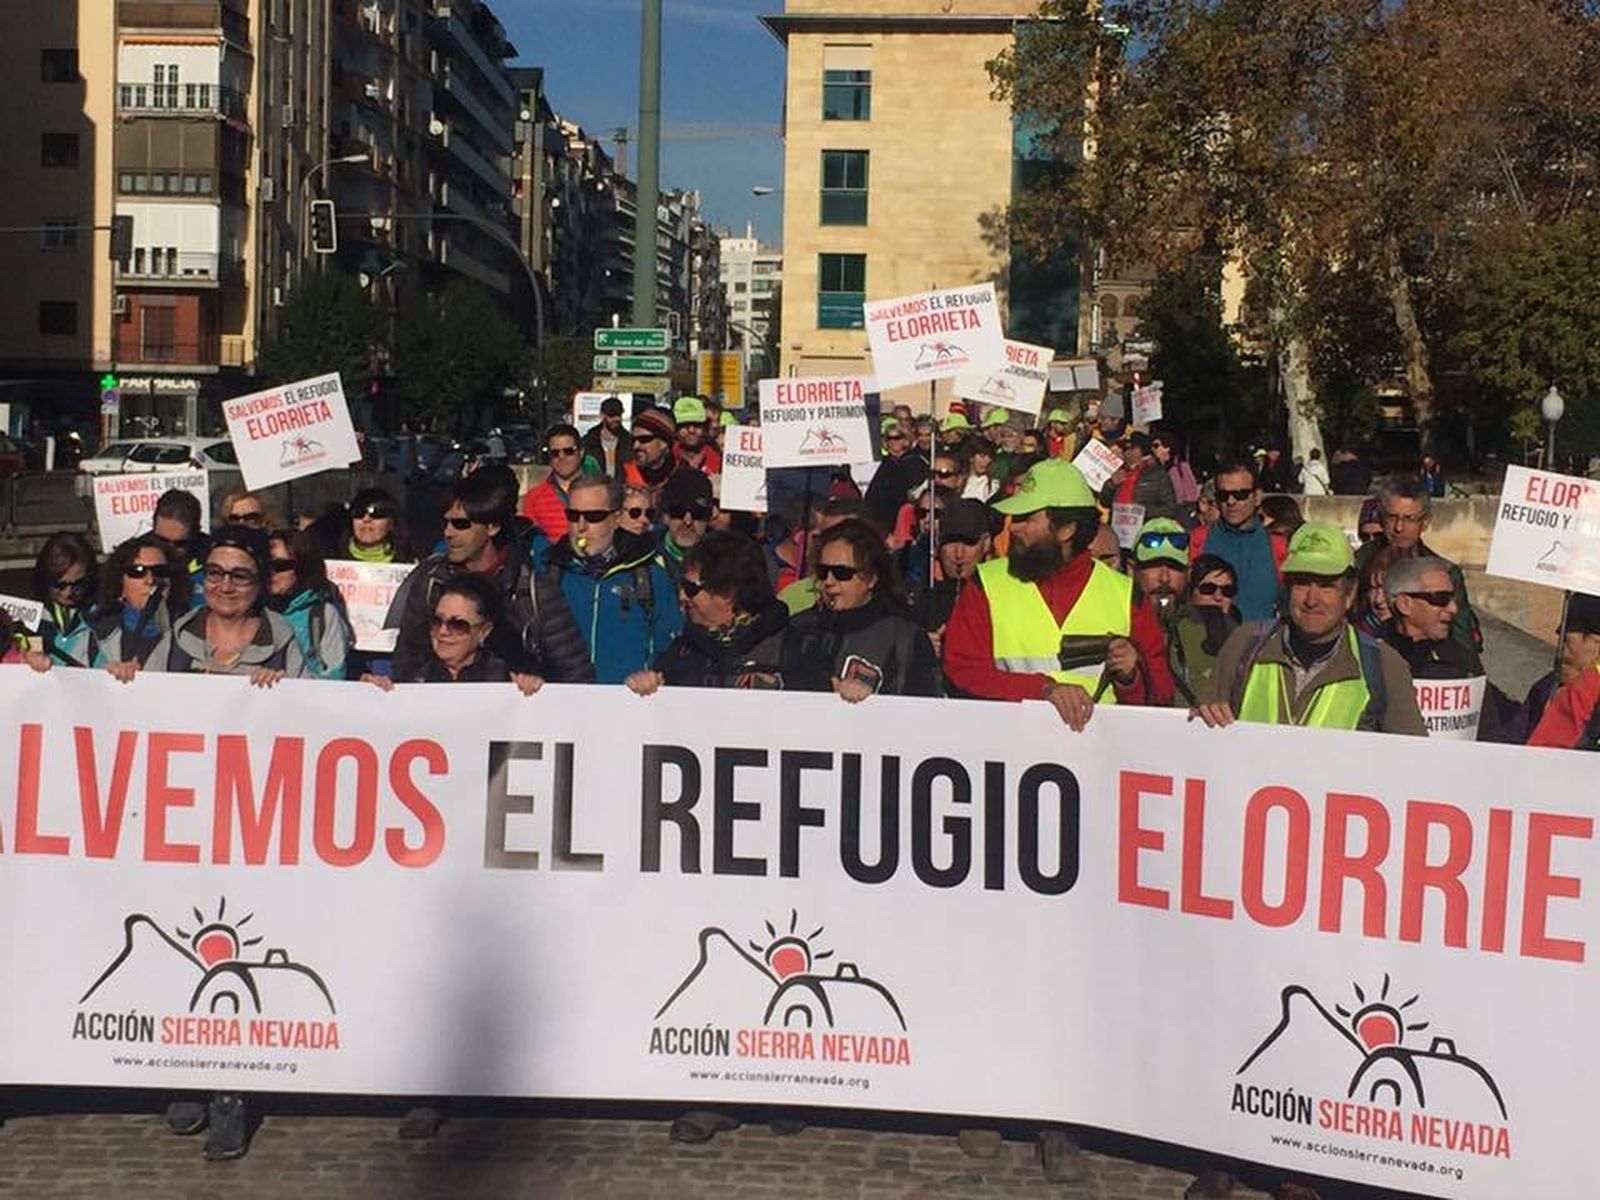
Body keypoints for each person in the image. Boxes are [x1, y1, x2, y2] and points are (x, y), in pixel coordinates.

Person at [943, 459, 1175, 728]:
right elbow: (961, 671)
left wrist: (1131, 677)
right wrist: (1042, 690)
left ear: (1066, 530)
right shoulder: (985, 583)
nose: (1013, 528)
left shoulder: (1126, 594)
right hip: (1010, 753)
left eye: (1026, 519)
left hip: (1099, 756)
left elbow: (1160, 694)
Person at [1196, 522, 1425, 734]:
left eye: (1326, 586)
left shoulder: (1384, 667)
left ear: (1350, 594)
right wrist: (1204, 716)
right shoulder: (1244, 644)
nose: (1311, 599)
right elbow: (1203, 728)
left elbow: (1411, 760)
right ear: (1286, 589)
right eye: (1302, 583)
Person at [389, 467, 595, 684]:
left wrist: (535, 687)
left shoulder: (532, 590)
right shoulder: (431, 580)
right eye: (446, 523)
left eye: (461, 524)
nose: (449, 533)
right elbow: (406, 660)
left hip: (514, 712)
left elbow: (576, 675)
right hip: (439, 710)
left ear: (492, 527)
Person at [537, 474, 682, 684]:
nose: (581, 526)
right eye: (573, 515)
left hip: (627, 704)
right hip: (563, 705)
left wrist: (656, 674)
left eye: (593, 516)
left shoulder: (649, 572)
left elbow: (672, 643)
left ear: (615, 520)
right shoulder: (549, 570)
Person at [781, 518, 941, 699]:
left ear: (871, 577)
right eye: (823, 572)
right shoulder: (799, 628)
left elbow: (925, 710)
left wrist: (869, 703)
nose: (829, 582)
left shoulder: (906, 638)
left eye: (843, 573)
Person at [626, 530, 789, 693]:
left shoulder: (787, 646)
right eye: (681, 585)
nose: (682, 596)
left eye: (691, 589)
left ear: (727, 592)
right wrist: (648, 686)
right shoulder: (680, 651)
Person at [143, 525, 306, 686]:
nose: (225, 587)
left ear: (261, 581)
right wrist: (126, 677)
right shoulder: (176, 642)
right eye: (214, 573)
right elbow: (146, 701)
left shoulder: (282, 646)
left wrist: (285, 690)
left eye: (240, 576)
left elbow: (310, 705)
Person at [1355, 477, 1482, 655]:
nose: (1399, 527)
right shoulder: (1357, 563)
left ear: (1425, 522)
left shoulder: (1445, 572)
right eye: (1392, 517)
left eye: (1409, 519)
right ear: (1382, 518)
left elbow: (1463, 643)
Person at [366, 575, 543, 691]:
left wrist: (534, 691)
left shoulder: (504, 680)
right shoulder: (410, 678)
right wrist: (370, 694)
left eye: (458, 625)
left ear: (483, 631)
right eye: (437, 622)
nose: (443, 632)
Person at [1133, 520, 1239, 707]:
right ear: (1132, 569)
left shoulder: (1218, 628)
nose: (1164, 577)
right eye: (1154, 565)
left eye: (1174, 567)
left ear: (1188, 574)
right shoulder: (1115, 620)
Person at [70, 534, 191, 675]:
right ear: (120, 582)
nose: (150, 580)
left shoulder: (190, 633)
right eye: (137, 572)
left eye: (160, 571)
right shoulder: (94, 634)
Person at [1186, 460, 1286, 623]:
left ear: (1257, 497)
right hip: (1207, 645)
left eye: (1240, 494)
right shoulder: (1197, 541)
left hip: (1261, 644)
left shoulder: (1279, 547)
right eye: (1223, 495)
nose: (1231, 502)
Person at [265, 527, 353, 680]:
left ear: (303, 567)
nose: (271, 572)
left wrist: (287, 683)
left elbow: (333, 679)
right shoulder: (254, 611)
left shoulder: (322, 616)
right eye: (266, 565)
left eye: (280, 566)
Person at [908, 498, 992, 659]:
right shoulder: (919, 600)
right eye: (950, 542)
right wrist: (919, 645)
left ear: (986, 543)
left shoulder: (999, 597)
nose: (959, 554)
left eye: (969, 543)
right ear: (938, 543)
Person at [1527, 593, 1600, 750]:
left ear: (1596, 642)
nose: (1561, 652)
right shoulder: (1545, 689)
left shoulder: (1587, 687)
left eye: (1566, 641)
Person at [519, 423, 594, 544]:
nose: (561, 456)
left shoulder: (600, 492)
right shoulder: (534, 498)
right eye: (555, 453)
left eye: (568, 451)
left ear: (581, 452)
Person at [31, 531, 97, 664]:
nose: (68, 592)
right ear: (44, 578)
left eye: (77, 584)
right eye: (59, 585)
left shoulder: (104, 613)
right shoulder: (27, 613)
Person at [864, 417, 928, 532]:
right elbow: (873, 494)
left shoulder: (915, 462)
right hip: (882, 521)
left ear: (906, 439)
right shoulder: (885, 463)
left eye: (897, 438)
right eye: (889, 438)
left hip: (907, 520)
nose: (893, 441)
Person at [656, 469, 716, 584]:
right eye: (678, 511)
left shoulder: (725, 566)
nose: (688, 521)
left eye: (698, 513)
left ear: (711, 515)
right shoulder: (643, 562)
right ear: (665, 516)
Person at [1100, 431, 1178, 520]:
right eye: (1125, 448)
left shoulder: (1158, 475)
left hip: (1143, 528)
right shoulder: (1120, 471)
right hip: (1116, 527)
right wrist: (1111, 484)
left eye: (1132, 448)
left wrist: (1141, 511)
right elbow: (1104, 502)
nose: (1127, 451)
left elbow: (1170, 509)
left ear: (1143, 451)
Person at [344, 486, 416, 564]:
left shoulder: (410, 561)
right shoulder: (332, 555)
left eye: (377, 513)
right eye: (359, 512)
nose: (366, 519)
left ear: (391, 523)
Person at [623, 407, 679, 495]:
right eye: (633, 440)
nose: (636, 446)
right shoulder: (623, 474)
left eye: (644, 439)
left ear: (664, 443)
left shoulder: (683, 476)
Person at [582, 396, 633, 478]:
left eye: (619, 415)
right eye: (612, 415)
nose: (616, 419)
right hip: (597, 487)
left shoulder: (629, 440)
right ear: (602, 415)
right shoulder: (589, 440)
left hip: (621, 488)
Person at [672, 396, 722, 475]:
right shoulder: (667, 458)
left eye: (697, 424)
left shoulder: (716, 459)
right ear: (676, 428)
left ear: (704, 427)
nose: (691, 430)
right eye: (685, 425)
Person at [1151, 431, 1200, 506]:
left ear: (1167, 447)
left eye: (1156, 445)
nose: (1153, 448)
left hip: (1179, 509)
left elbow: (1192, 493)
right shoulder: (1154, 467)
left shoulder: (1181, 466)